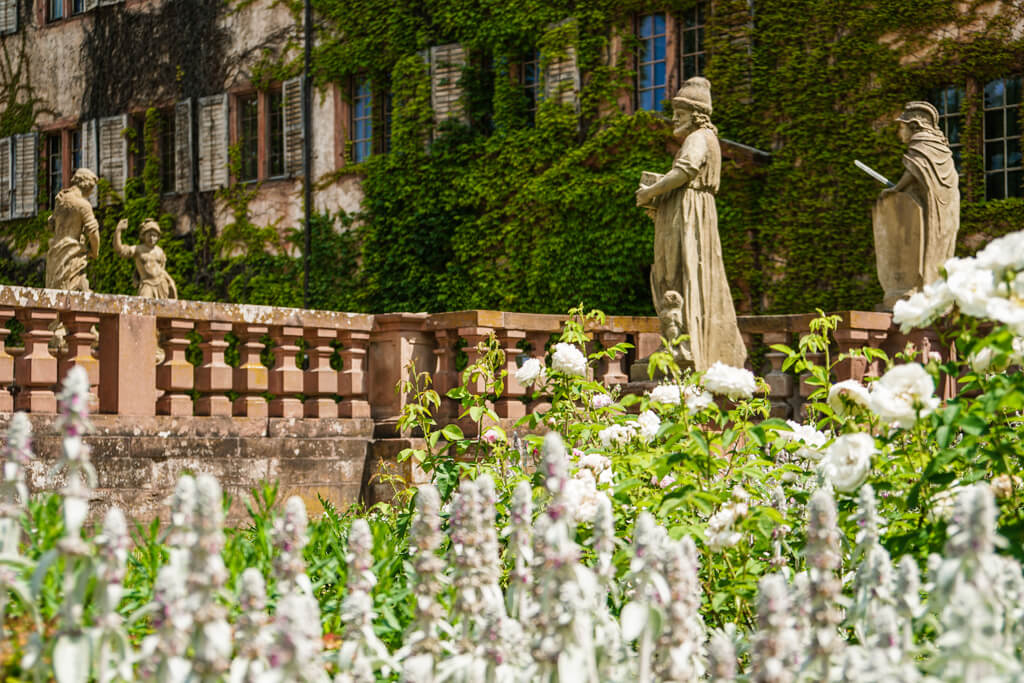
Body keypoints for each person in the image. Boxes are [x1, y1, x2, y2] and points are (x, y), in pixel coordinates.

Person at [635, 77, 746, 371]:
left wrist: (651, 191)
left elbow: (685, 171)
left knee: (679, 272)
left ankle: (684, 344)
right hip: (687, 208)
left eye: (680, 114)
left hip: (689, 214)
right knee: (681, 272)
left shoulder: (697, 139)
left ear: (697, 116)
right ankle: (682, 340)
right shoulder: (705, 139)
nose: (674, 119)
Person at [880, 101, 959, 285]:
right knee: (941, 242)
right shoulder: (938, 146)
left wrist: (896, 189)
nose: (900, 133)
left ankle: (927, 285)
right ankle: (932, 283)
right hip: (946, 204)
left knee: (933, 242)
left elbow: (914, 170)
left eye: (902, 128)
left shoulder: (922, 143)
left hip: (936, 205)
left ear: (914, 126)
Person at [45, 168, 100, 292]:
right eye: (92, 187)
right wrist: (95, 251)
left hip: (56, 253)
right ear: (87, 184)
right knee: (74, 293)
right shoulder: (82, 205)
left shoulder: (60, 200)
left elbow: (51, 225)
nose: (91, 192)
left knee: (57, 293)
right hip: (72, 255)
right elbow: (93, 232)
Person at [114, 218, 178, 299]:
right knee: (143, 306)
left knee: (163, 309)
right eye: (149, 235)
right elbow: (120, 250)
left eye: (154, 235)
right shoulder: (138, 249)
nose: (152, 238)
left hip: (161, 283)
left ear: (158, 237)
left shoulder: (160, 251)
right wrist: (118, 231)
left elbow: (162, 269)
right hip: (147, 284)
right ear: (143, 236)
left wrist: (170, 281)